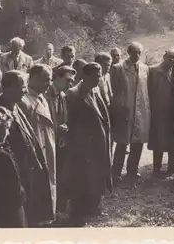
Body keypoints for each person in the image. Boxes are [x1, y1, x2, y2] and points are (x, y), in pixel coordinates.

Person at [0, 70, 54, 226]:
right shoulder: (0, 112)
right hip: (17, 174)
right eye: (22, 86)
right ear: (8, 88)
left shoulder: (16, 107)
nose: (25, 90)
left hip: (29, 170)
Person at [64, 62, 112, 226]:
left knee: (97, 176)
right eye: (96, 76)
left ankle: (92, 206)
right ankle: (78, 213)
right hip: (84, 147)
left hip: (99, 142)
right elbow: (72, 122)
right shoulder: (73, 94)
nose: (99, 79)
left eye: (99, 76)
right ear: (85, 76)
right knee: (83, 179)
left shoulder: (95, 90)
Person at [18, 64, 57, 217]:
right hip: (37, 147)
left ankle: (49, 214)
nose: (49, 84)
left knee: (50, 181)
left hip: (48, 143)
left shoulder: (43, 97)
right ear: (33, 79)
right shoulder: (24, 101)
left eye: (50, 80)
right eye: (45, 80)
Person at [110, 42, 151, 181]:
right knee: (122, 142)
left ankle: (132, 170)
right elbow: (113, 90)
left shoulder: (145, 68)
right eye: (134, 52)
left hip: (140, 110)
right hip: (125, 110)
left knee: (138, 142)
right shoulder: (118, 68)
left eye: (139, 52)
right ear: (129, 52)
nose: (137, 55)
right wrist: (119, 106)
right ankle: (115, 172)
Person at [148, 49, 174, 175]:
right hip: (159, 111)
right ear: (164, 57)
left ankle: (173, 166)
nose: (171, 60)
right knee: (158, 138)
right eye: (169, 57)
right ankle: (157, 168)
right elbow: (149, 91)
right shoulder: (153, 70)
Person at [45, 65, 76, 214]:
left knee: (62, 172)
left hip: (62, 141)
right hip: (49, 140)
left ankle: (60, 206)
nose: (70, 84)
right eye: (68, 80)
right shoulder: (45, 94)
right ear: (57, 77)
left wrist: (65, 126)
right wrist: (57, 127)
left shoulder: (63, 96)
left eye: (72, 81)